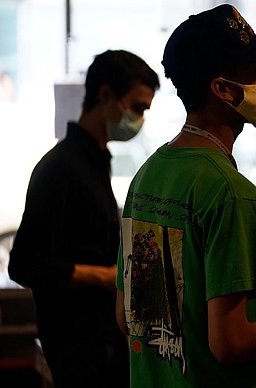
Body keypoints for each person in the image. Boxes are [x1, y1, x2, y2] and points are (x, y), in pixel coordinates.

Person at [115, 4, 256, 388]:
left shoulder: (149, 174)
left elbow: (132, 313)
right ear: (222, 89)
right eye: (254, 70)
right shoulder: (230, 192)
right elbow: (230, 343)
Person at [9, 49, 160, 387]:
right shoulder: (61, 167)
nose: (140, 120)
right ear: (105, 95)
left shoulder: (95, 162)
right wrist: (108, 276)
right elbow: (24, 264)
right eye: (136, 108)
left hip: (104, 341)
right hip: (78, 349)